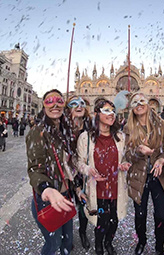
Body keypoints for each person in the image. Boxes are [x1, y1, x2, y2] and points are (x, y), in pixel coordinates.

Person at [26, 89, 76, 255]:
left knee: (68, 240)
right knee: (53, 243)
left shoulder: (65, 132)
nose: (55, 104)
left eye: (59, 100)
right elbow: (34, 169)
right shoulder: (37, 132)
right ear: (43, 106)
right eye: (49, 101)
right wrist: (46, 188)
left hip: (64, 196)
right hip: (47, 200)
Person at [77, 99, 129, 255]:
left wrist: (125, 164)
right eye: (106, 111)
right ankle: (99, 246)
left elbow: (125, 158)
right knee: (101, 221)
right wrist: (88, 170)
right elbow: (79, 162)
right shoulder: (86, 137)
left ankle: (109, 243)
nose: (111, 114)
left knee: (114, 220)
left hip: (116, 188)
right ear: (96, 114)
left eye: (113, 111)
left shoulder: (120, 137)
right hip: (97, 189)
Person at [123, 92, 164, 255]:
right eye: (134, 102)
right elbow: (127, 155)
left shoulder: (162, 125)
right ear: (131, 108)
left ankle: (159, 247)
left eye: (142, 100)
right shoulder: (128, 128)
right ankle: (142, 242)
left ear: (148, 103)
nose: (139, 104)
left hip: (159, 176)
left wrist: (161, 160)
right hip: (139, 177)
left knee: (161, 216)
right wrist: (138, 151)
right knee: (140, 214)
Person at [66, 95, 91, 251]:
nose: (79, 106)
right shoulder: (62, 127)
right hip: (66, 173)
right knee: (67, 206)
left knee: (83, 205)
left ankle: (82, 232)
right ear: (69, 109)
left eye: (82, 103)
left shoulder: (91, 126)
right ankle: (67, 236)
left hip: (83, 172)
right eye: (74, 104)